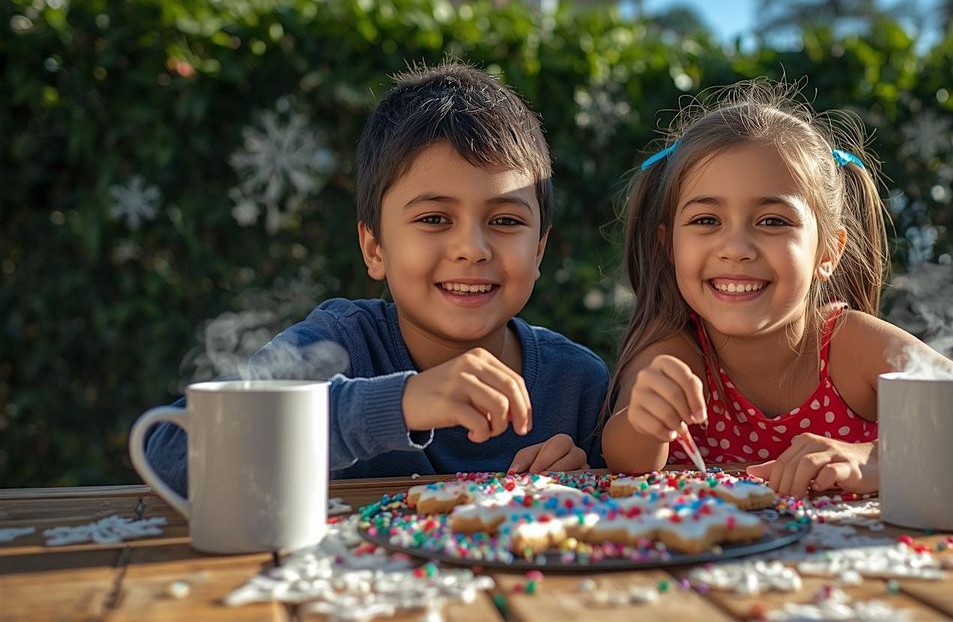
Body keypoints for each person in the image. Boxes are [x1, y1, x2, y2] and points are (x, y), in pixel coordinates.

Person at [144, 62, 609, 495]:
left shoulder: (578, 384)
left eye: (506, 221)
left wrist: (584, 483)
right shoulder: (337, 348)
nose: (472, 248)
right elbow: (171, 452)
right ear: (374, 248)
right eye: (433, 218)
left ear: (539, 249)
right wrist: (399, 404)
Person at [601, 80, 953, 497]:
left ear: (828, 251)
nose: (736, 247)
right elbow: (627, 458)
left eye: (773, 221)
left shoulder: (852, 346)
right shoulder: (675, 355)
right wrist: (646, 422)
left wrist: (885, 460)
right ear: (668, 245)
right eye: (706, 220)